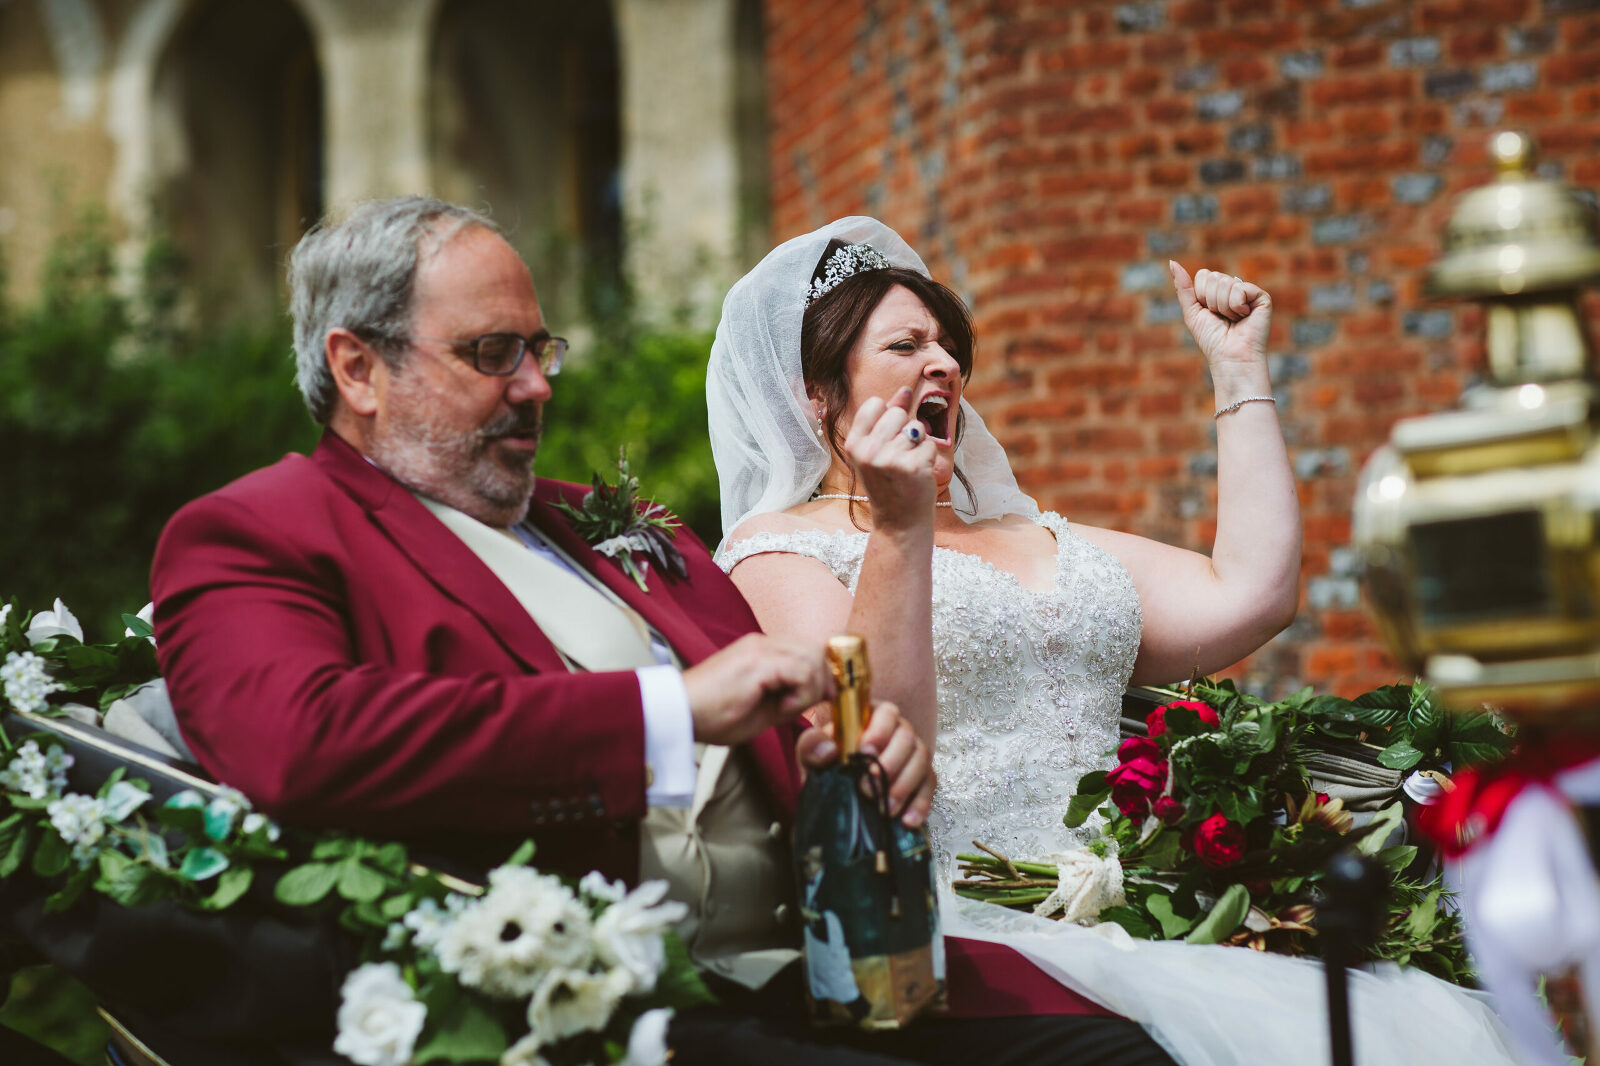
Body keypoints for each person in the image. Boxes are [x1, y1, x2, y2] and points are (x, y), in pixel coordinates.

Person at [149, 197, 1174, 1066]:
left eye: (539, 349)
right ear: (358, 368)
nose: (538, 385)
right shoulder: (256, 532)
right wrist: (666, 711)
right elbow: (302, 742)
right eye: (491, 354)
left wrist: (845, 752)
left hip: (825, 960)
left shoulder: (624, 531)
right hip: (602, 1005)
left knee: (1145, 1039)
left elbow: (807, 730)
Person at [706, 217, 1519, 1065]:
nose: (943, 363)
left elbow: (1253, 592)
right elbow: (877, 745)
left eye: (947, 345)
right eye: (904, 345)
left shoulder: (1039, 537)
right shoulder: (780, 554)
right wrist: (900, 528)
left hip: (1147, 911)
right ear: (817, 395)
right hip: (963, 923)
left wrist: (1236, 370)